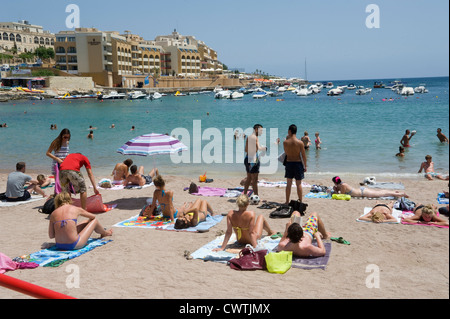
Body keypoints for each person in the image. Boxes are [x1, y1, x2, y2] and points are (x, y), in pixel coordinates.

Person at [48, 192, 113, 251]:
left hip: (59, 245)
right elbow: (93, 217)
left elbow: (51, 235)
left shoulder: (53, 214)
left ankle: (103, 232)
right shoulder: (75, 209)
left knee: (84, 222)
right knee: (94, 221)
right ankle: (105, 233)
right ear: (69, 199)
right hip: (74, 245)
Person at [283, 124, 307, 204]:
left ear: (289, 131)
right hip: (298, 163)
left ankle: (287, 201)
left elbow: (286, 153)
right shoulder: (300, 143)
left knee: (288, 184)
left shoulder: (285, 142)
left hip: (289, 163)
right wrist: (305, 166)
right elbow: (303, 155)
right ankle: (300, 201)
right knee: (298, 184)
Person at [243, 124, 267, 197]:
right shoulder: (255, 137)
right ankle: (256, 196)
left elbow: (246, 150)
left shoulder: (249, 137)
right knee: (254, 180)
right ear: (256, 129)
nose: (261, 132)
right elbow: (259, 148)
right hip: (253, 160)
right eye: (261, 130)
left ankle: (244, 195)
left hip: (247, 158)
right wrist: (265, 148)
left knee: (249, 178)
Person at [332, 176, 409, 198]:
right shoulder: (342, 184)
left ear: (335, 182)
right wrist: (336, 189)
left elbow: (341, 195)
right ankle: (394, 192)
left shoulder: (342, 185)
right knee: (380, 192)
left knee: (381, 194)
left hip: (363, 192)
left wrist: (335, 191)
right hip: (362, 190)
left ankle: (401, 194)